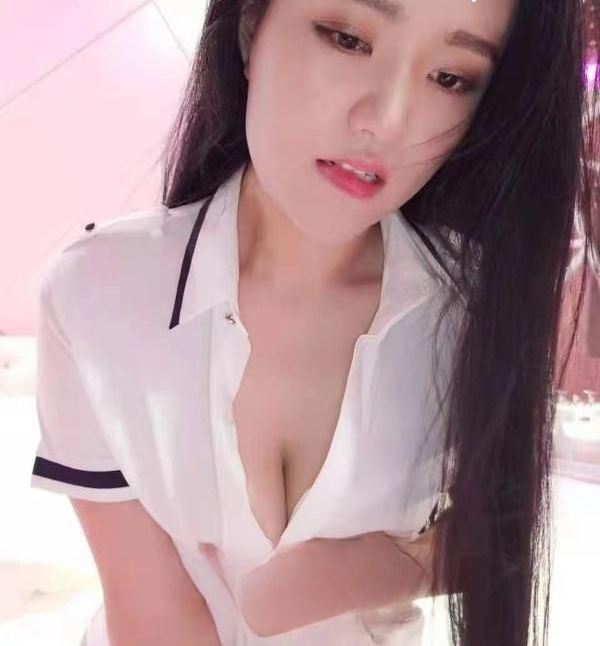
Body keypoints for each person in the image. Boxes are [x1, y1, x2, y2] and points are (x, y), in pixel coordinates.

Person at [30, 0, 600, 644]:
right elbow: (150, 609)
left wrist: (375, 571)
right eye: (348, 39)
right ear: (251, 27)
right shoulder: (99, 288)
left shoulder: (471, 307)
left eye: (450, 78)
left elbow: (502, 528)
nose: (388, 121)